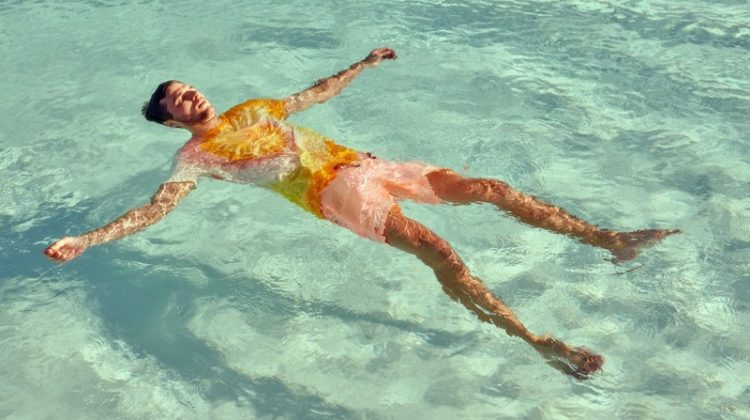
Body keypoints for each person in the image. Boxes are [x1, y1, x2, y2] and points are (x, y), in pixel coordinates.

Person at [44, 48, 679, 379]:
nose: (188, 96)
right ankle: (539, 342)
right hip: (338, 196)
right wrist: (89, 239)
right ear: (170, 122)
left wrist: (364, 65)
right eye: (175, 101)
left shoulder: (253, 110)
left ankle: (610, 240)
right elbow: (156, 209)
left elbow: (315, 94)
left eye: (186, 87)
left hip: (370, 163)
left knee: (491, 187)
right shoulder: (195, 159)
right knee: (445, 256)